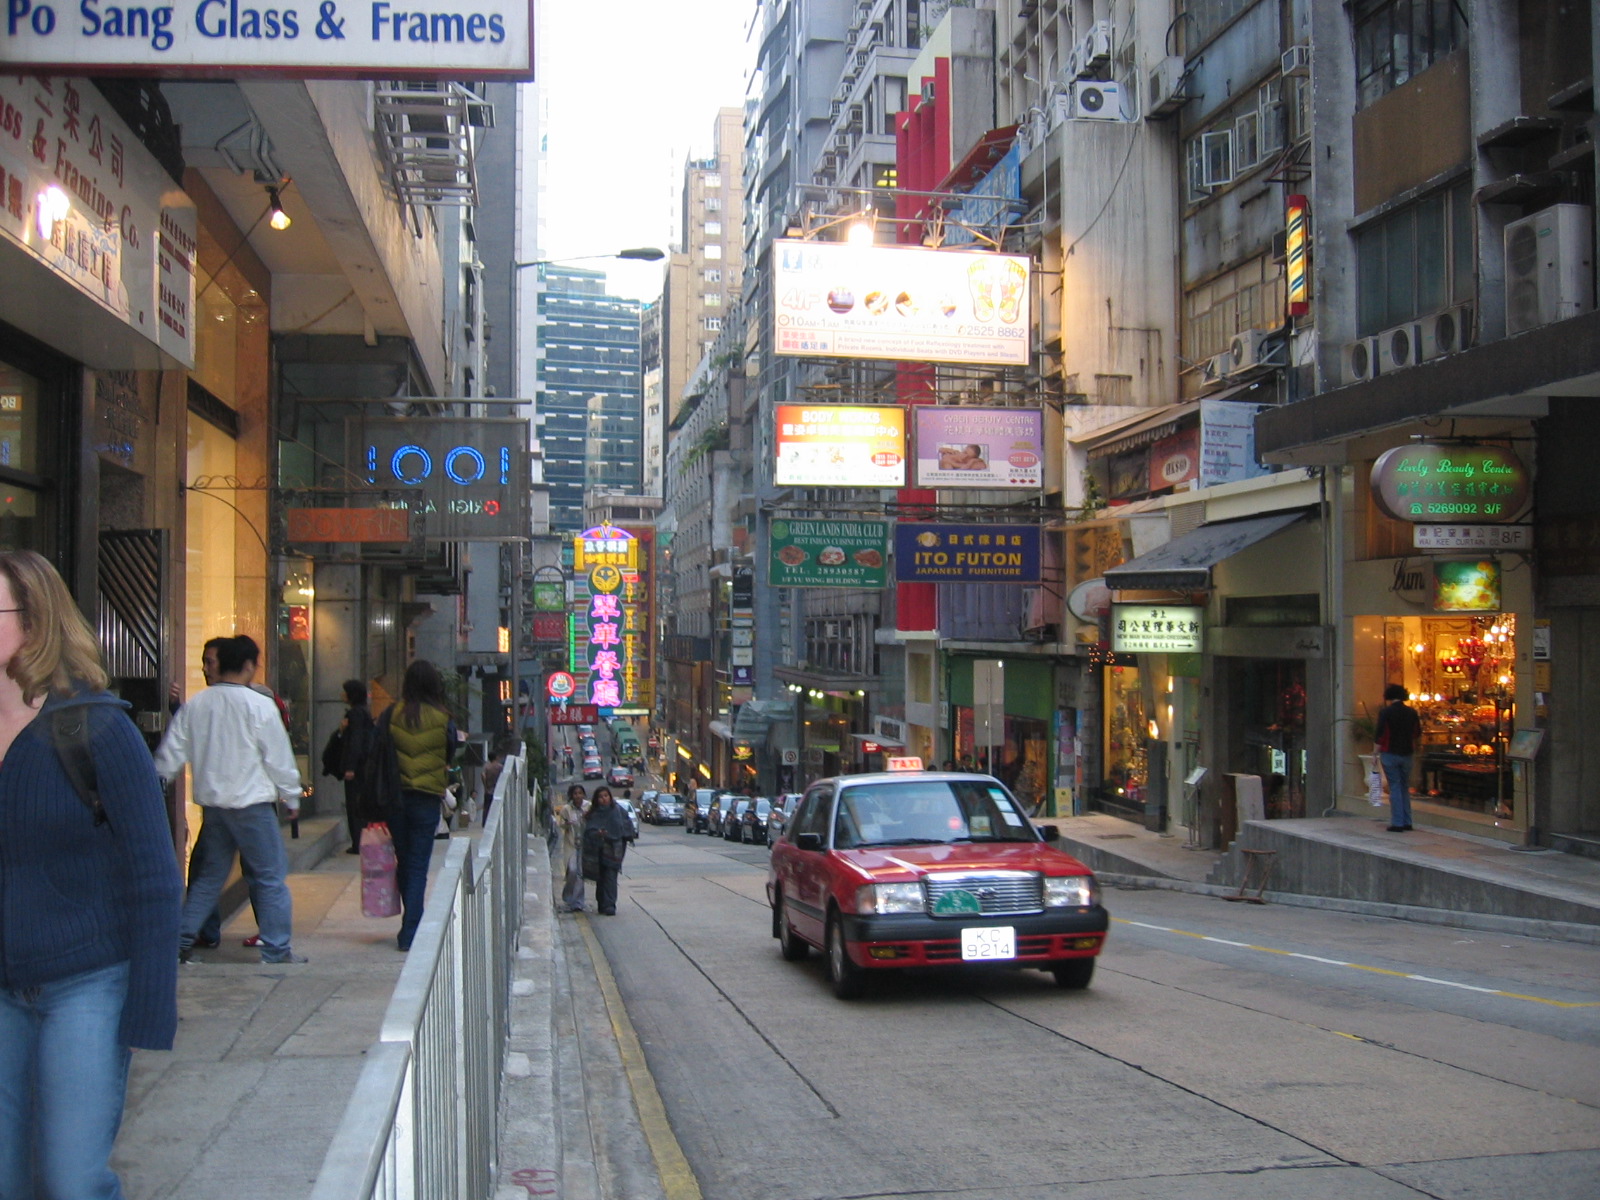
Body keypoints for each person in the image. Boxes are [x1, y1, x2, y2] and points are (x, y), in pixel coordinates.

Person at [0, 550, 182, 1200]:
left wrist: (151, 1003)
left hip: (88, 985)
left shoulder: (96, 729)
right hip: (4, 991)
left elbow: (155, 875)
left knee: (70, 1179)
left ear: (38, 622)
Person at [156, 635, 307, 963]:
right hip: (252, 805)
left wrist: (158, 781)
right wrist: (291, 797)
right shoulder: (259, 705)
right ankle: (277, 948)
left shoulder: (198, 704)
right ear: (249, 665)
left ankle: (180, 941)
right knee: (269, 877)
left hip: (214, 807)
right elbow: (278, 758)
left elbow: (172, 751)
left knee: (209, 878)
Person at [381, 660, 457, 951]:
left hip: (396, 797)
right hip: (426, 797)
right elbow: (450, 749)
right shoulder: (443, 717)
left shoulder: (391, 714)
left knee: (404, 860)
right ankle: (411, 929)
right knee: (418, 865)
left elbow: (380, 748)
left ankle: (410, 924)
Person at [1375, 683, 1423, 832]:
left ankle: (1397, 822)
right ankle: (1407, 821)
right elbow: (1416, 733)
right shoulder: (1411, 712)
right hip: (1407, 753)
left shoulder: (1386, 712)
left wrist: (1375, 753)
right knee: (1404, 787)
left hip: (1390, 752)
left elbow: (1381, 734)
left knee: (1394, 787)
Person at [337, 679, 376, 854]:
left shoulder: (355, 714)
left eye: (345, 691)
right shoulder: (363, 713)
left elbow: (356, 741)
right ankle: (360, 841)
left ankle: (358, 842)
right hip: (364, 766)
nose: (342, 695)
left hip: (358, 768)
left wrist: (350, 766)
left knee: (355, 804)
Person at [583, 785, 634, 916]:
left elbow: (626, 825)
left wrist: (625, 837)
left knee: (611, 877)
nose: (604, 799)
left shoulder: (618, 810)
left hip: (614, 850)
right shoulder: (594, 813)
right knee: (601, 878)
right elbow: (589, 830)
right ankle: (602, 903)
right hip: (598, 850)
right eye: (600, 797)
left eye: (606, 796)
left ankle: (610, 904)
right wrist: (598, 833)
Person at [557, 783, 588, 913]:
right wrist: (567, 824)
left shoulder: (588, 807)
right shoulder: (566, 809)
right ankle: (568, 895)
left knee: (580, 874)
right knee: (572, 871)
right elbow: (561, 824)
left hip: (585, 845)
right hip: (571, 845)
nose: (578, 796)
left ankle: (578, 902)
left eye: (580, 793)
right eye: (575, 793)